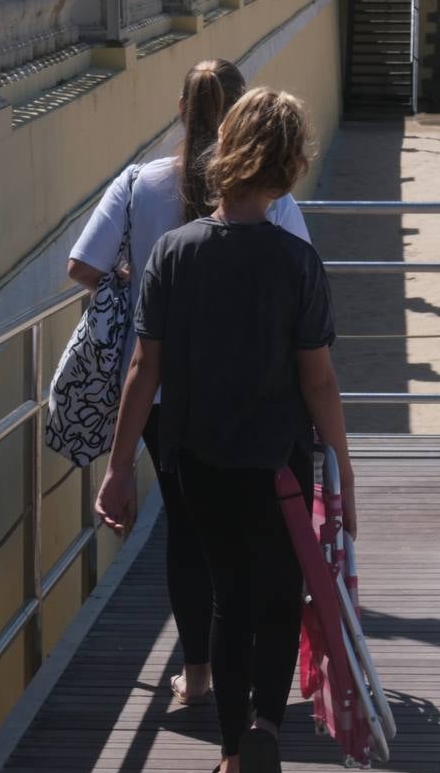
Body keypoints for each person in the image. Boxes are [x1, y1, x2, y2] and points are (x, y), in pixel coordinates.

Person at [94, 88, 355, 773]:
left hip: (198, 460)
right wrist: (344, 468)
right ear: (292, 162)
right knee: (278, 602)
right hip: (279, 464)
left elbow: (144, 371)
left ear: (226, 152)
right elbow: (320, 380)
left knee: (228, 602)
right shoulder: (297, 261)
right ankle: (266, 731)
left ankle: (234, 759)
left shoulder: (176, 253)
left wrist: (119, 469)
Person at [67, 60, 310, 706]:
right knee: (256, 532)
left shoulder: (139, 182)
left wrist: (132, 280)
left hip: (160, 393)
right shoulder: (273, 198)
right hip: (251, 393)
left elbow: (81, 266)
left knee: (188, 529)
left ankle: (198, 672)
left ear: (182, 109)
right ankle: (255, 673)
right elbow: (302, 282)